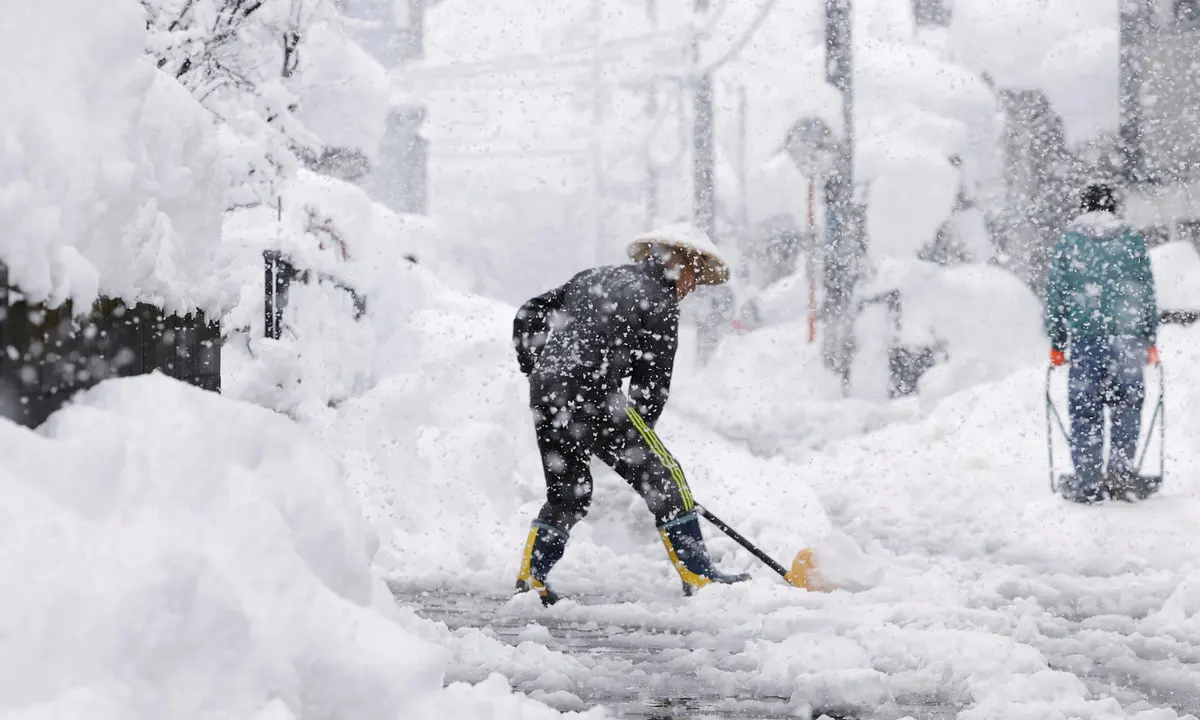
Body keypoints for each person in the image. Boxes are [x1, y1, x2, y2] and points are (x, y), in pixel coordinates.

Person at [510, 223, 750, 605]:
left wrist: (537, 368)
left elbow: (529, 312)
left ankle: (531, 576)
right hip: (594, 395)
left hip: (547, 394)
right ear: (683, 265)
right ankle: (699, 575)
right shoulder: (659, 300)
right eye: (695, 279)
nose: (692, 289)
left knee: (569, 493)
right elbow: (651, 387)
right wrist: (638, 446)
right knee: (667, 477)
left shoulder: (593, 277)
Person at [1045, 182, 1160, 503]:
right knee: (1127, 408)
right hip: (1128, 339)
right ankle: (1121, 477)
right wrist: (1149, 338)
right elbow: (1145, 292)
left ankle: (1088, 482)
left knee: (1085, 411)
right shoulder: (1132, 241)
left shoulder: (1069, 244)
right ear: (1113, 208)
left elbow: (1057, 295)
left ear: (1084, 207)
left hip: (1086, 340)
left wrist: (1057, 341)